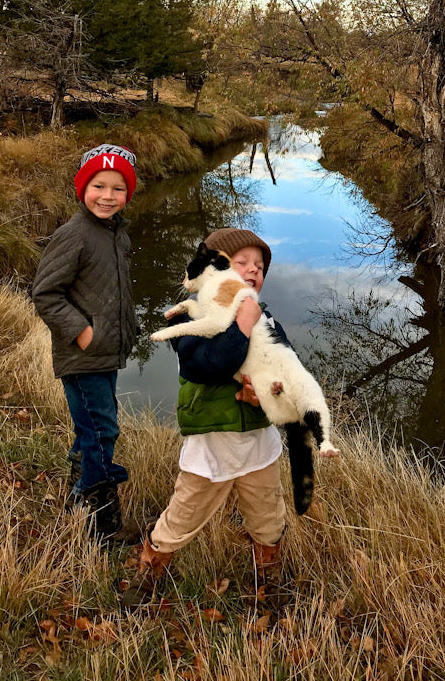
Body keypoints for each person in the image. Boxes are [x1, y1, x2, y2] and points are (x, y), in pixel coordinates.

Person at [122, 227, 287, 607]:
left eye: (259, 266)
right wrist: (243, 323)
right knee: (183, 514)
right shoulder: (187, 322)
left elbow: (285, 364)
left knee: (268, 517)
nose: (252, 271)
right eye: (241, 263)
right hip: (210, 452)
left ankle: (269, 576)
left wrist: (268, 392)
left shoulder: (267, 318)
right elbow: (206, 366)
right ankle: (151, 567)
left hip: (259, 450)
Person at [32, 143, 139, 542]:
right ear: (82, 188)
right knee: (102, 429)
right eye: (99, 186)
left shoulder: (115, 234)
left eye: (118, 189)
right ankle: (99, 520)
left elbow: (114, 292)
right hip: (82, 355)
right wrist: (81, 330)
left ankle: (80, 493)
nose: (108, 197)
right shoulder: (74, 234)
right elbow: (45, 293)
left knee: (92, 428)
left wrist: (128, 329)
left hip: (105, 353)